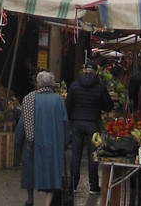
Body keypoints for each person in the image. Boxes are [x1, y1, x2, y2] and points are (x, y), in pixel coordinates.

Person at [15, 71, 69, 206]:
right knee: (51, 173)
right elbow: (65, 123)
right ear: (52, 84)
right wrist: (65, 143)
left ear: (38, 83)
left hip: (32, 144)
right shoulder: (58, 100)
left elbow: (22, 123)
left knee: (30, 172)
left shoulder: (29, 99)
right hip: (53, 145)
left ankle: (30, 200)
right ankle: (47, 203)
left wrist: (17, 142)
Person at [66, 62, 113, 193]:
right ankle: (93, 185)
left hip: (77, 123)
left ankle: (73, 185)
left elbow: (68, 106)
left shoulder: (74, 85)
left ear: (83, 71)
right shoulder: (100, 87)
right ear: (96, 72)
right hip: (93, 123)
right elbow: (109, 106)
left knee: (76, 154)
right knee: (93, 155)